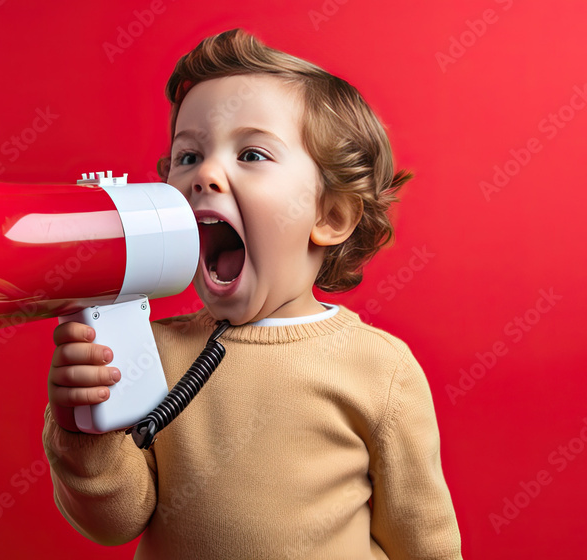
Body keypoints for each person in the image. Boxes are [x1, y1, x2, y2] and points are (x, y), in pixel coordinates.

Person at [43, 28, 462, 559]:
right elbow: (116, 522)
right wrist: (85, 429)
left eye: (253, 154)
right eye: (188, 156)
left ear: (330, 216)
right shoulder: (149, 353)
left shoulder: (380, 371)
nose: (205, 175)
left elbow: (425, 541)